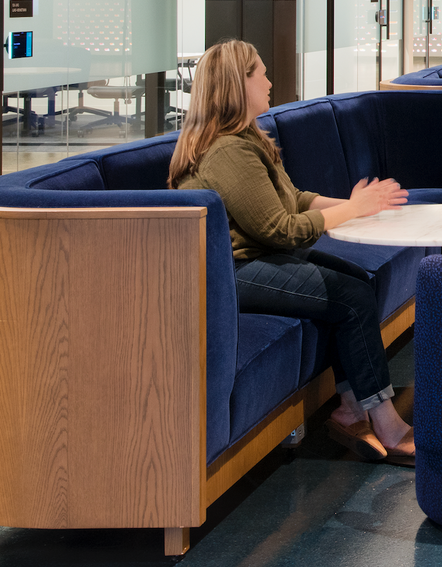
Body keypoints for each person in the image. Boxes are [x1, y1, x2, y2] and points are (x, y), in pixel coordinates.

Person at [169, 39, 415, 464]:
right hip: (231, 274)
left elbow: (294, 199)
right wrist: (353, 210)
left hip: (255, 258)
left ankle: (351, 407)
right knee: (351, 297)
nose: (269, 81)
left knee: (358, 282)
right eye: (260, 73)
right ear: (236, 85)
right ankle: (387, 424)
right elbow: (282, 230)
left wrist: (357, 206)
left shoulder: (246, 137)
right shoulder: (227, 151)